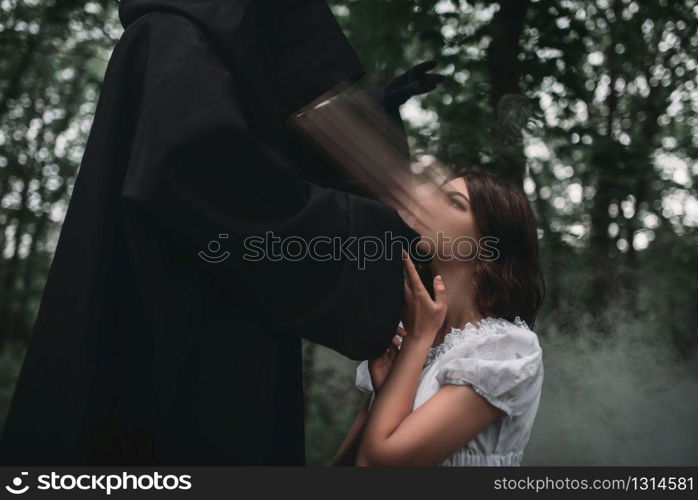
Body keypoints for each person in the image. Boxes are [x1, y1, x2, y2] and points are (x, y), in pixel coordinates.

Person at [0, 0, 443, 465]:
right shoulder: (176, 38)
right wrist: (374, 236)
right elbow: (210, 174)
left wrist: (378, 108)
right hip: (176, 341)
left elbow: (268, 158)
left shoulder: (194, 48)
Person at [332, 170, 546, 466]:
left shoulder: (504, 351)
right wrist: (385, 395)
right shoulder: (411, 335)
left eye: (455, 203)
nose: (426, 203)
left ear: (488, 245)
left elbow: (375, 464)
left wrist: (417, 341)